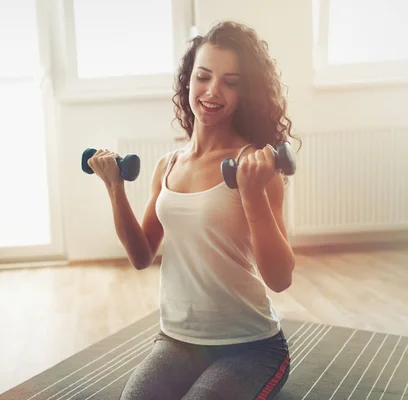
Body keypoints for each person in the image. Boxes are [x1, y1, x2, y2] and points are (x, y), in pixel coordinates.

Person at [86, 20, 301, 400]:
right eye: (203, 76)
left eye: (230, 82)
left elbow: (280, 278)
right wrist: (115, 188)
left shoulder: (253, 165)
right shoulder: (168, 165)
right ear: (188, 80)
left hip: (252, 346)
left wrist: (252, 195)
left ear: (244, 92)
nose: (213, 91)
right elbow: (141, 255)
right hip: (179, 340)